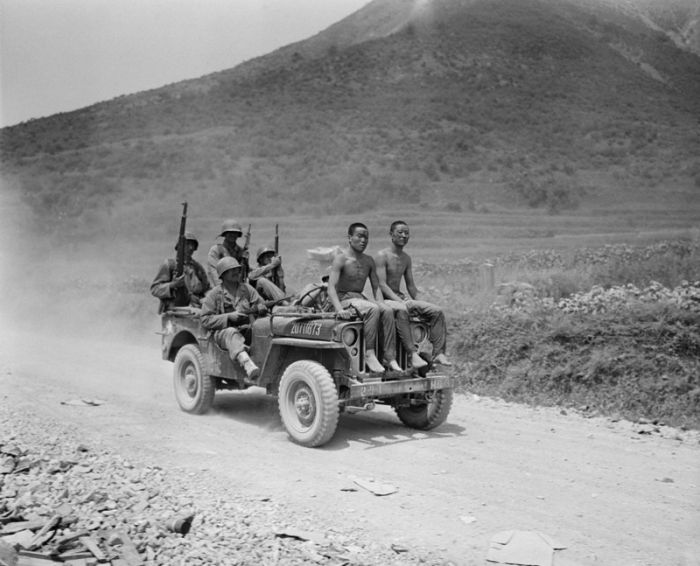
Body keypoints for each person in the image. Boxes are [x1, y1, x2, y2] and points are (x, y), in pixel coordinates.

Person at [326, 222, 401, 374]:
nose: (363, 240)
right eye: (359, 236)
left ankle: (389, 356)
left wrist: (382, 303)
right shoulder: (341, 259)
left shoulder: (368, 261)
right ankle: (369, 353)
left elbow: (376, 287)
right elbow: (331, 288)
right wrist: (339, 309)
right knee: (372, 308)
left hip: (359, 299)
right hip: (343, 299)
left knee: (386, 310)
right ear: (349, 238)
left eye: (366, 237)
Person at [375, 220, 452, 366]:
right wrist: (399, 300)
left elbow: (411, 286)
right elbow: (382, 284)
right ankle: (412, 354)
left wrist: (422, 303)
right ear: (391, 234)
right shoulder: (381, 255)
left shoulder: (406, 259)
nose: (404, 236)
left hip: (401, 299)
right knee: (403, 308)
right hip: (385, 301)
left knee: (437, 311)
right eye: (400, 232)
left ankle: (439, 353)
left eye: (406, 233)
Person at [200, 257, 267, 382]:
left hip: (245, 330)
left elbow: (260, 304)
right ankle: (247, 363)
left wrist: (261, 307)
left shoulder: (246, 289)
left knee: (263, 330)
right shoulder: (215, 294)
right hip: (223, 334)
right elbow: (205, 319)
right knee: (231, 332)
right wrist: (228, 317)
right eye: (232, 270)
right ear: (223, 275)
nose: (236, 272)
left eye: (237, 269)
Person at [150, 231, 210, 313]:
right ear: (179, 246)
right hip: (173, 312)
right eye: (187, 244)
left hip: (195, 312)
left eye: (192, 245)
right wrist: (172, 285)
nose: (190, 248)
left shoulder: (197, 267)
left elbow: (207, 288)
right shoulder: (170, 265)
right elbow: (155, 289)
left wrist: (206, 298)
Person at [206, 219, 249, 288]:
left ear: (238, 235)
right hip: (220, 288)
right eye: (229, 232)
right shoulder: (216, 250)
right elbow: (214, 272)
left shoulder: (241, 252)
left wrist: (245, 261)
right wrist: (223, 289)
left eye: (235, 233)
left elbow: (245, 274)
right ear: (225, 234)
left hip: (238, 287)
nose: (232, 235)